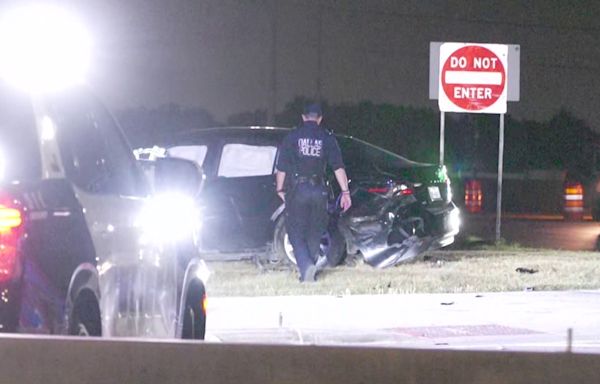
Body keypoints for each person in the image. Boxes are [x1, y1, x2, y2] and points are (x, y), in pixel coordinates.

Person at [275, 103, 351, 282]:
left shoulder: (292, 137)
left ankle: (306, 266)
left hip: (298, 190)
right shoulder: (327, 138)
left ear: (303, 117)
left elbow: (282, 168)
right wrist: (345, 192)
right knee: (315, 231)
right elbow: (338, 167)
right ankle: (308, 272)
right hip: (319, 190)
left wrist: (280, 188)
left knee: (294, 231)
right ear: (320, 118)